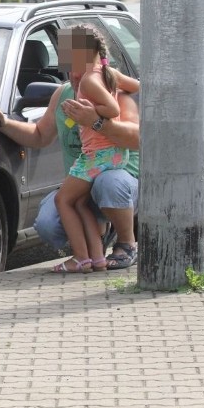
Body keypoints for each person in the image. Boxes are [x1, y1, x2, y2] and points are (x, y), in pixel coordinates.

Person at [0, 28, 140, 271]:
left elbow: (136, 138)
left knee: (109, 184)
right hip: (85, 175)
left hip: (118, 176)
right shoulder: (63, 93)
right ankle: (94, 255)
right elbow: (40, 135)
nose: (73, 72)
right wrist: (2, 123)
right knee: (48, 222)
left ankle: (126, 243)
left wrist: (95, 120)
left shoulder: (112, 90)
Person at [50, 26, 139, 273]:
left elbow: (111, 108)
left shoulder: (90, 79)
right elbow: (137, 86)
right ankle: (96, 259)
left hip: (98, 154)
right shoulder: (105, 72)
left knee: (63, 200)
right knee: (79, 204)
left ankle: (80, 258)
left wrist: (91, 114)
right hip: (107, 154)